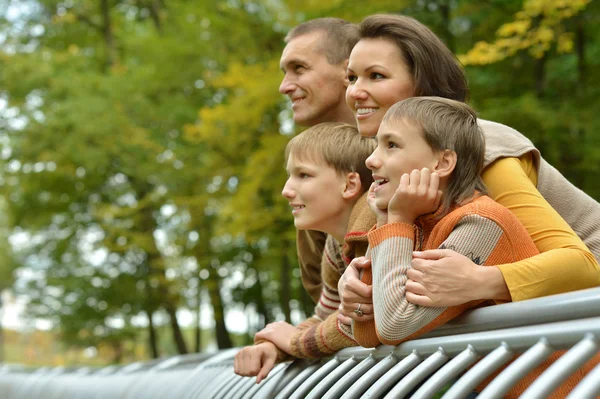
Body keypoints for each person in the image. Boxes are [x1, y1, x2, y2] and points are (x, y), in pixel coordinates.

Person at [334, 14, 600, 327]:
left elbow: (586, 264)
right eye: (351, 78)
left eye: (376, 76)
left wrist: (483, 281)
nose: (355, 92)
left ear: (423, 84)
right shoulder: (395, 176)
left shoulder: (482, 149)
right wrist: (359, 294)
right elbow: (402, 310)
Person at [233, 123, 375, 382]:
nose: (286, 190)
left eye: (304, 175)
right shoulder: (336, 244)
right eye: (290, 175)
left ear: (349, 184)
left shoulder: (374, 232)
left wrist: (295, 342)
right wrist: (274, 348)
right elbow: (328, 317)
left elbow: (363, 322)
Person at [277, 18, 358, 304]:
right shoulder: (314, 175)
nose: (284, 87)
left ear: (348, 71)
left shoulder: (436, 146)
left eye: (299, 68)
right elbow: (325, 296)